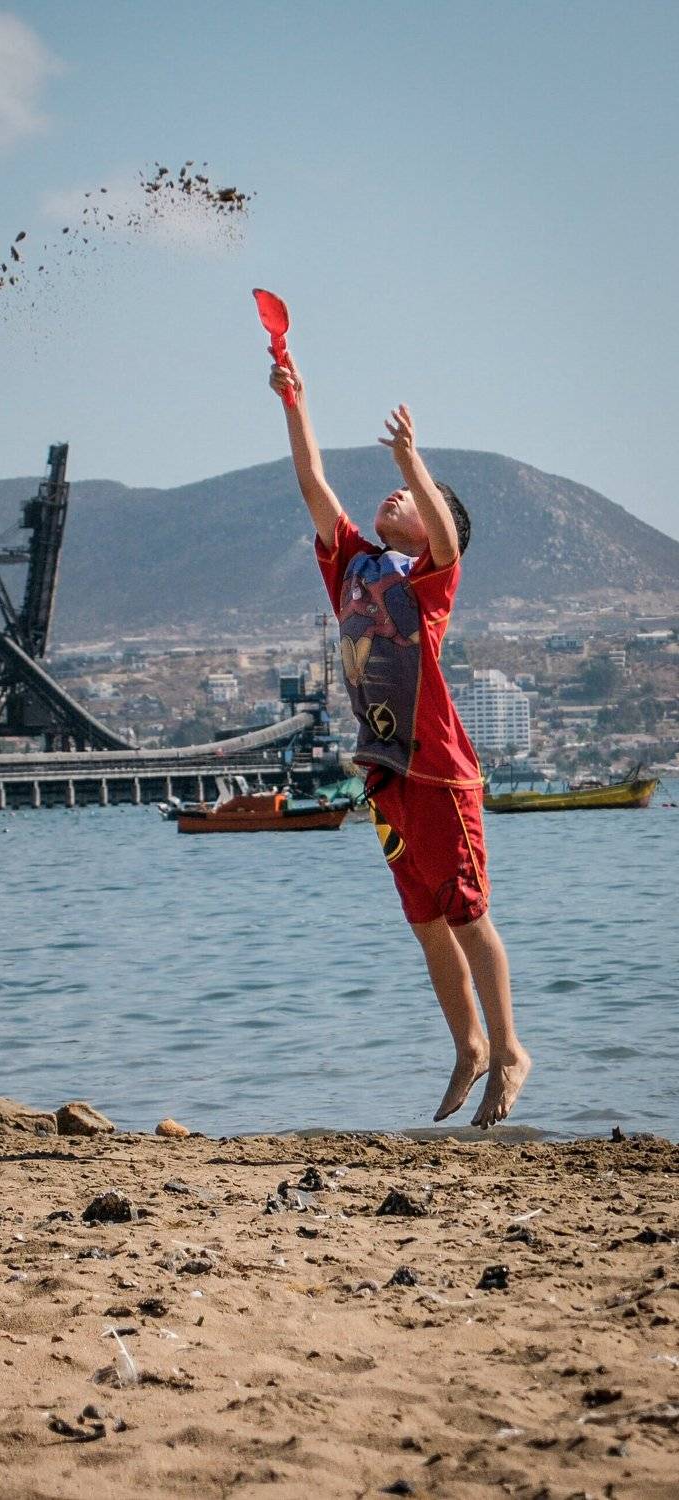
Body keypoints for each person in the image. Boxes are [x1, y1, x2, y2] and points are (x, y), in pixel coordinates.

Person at [269, 352, 531, 1128]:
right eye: (402, 490)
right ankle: (469, 1048)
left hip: (440, 773)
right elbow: (312, 481)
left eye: (417, 499)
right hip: (385, 774)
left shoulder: (428, 582)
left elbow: (447, 541)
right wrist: (295, 401)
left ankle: (510, 1051)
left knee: (467, 913)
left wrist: (413, 461)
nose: (397, 496)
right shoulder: (352, 564)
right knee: (425, 921)